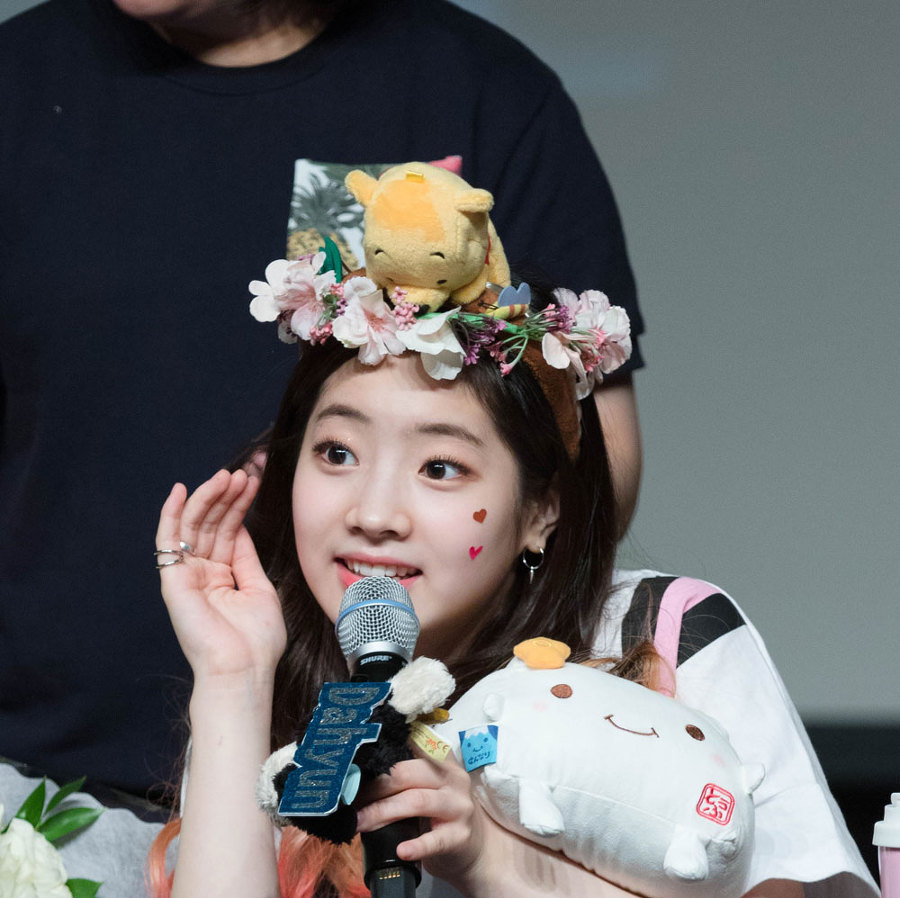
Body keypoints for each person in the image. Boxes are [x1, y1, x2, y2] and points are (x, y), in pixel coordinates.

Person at [148, 233, 882, 898]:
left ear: (540, 512)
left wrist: (487, 861)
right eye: (337, 453)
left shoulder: (664, 634)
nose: (373, 513)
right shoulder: (288, 681)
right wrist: (232, 681)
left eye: (441, 467)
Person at [0, 0, 644, 801]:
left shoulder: (474, 88)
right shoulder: (21, 82)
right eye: (336, 454)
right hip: (34, 781)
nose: (373, 510)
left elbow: (592, 461)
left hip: (383, 778)